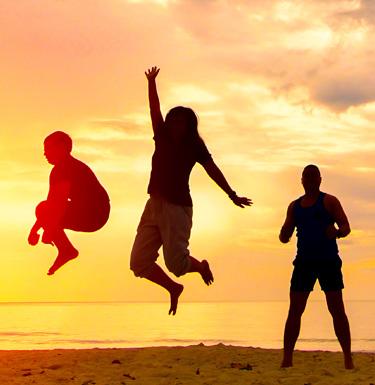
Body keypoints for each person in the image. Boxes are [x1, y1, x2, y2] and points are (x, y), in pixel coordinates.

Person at [130, 66, 252, 315]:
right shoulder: (161, 136)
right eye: (172, 119)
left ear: (188, 125)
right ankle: (174, 289)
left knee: (176, 263)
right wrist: (151, 83)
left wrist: (231, 194)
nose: (174, 123)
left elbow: (212, 170)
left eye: (180, 121)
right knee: (138, 262)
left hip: (177, 207)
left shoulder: (195, 146)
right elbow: (154, 109)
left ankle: (200, 266)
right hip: (154, 205)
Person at [279, 164, 353, 369]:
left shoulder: (329, 201)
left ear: (320, 179)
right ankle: (287, 359)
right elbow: (284, 236)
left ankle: (348, 357)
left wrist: (337, 232)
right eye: (306, 177)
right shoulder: (294, 206)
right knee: (295, 310)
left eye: (313, 177)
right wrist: (285, 233)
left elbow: (346, 226)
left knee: (337, 310)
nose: (310, 181)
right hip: (304, 263)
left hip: (328, 261)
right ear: (301, 180)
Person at [28, 131, 110, 275]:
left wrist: (48, 229)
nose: (45, 154)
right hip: (93, 214)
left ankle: (66, 250)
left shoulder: (65, 168)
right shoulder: (58, 171)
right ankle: (66, 250)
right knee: (43, 208)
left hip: (95, 214)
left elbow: (57, 205)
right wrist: (36, 229)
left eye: (48, 148)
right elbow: (52, 204)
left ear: (63, 147)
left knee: (44, 209)